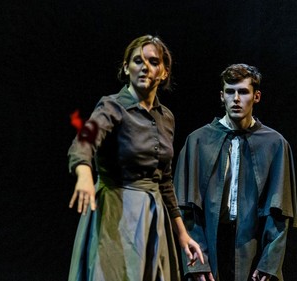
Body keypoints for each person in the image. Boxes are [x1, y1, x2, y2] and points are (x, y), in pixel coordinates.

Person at [67, 35, 203, 281]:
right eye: (138, 61)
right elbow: (84, 140)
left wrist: (182, 234)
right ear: (126, 67)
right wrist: (84, 173)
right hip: (115, 211)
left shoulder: (166, 117)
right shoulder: (110, 107)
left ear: (163, 72)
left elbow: (165, 180)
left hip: (153, 217)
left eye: (153, 61)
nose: (145, 67)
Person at [174, 64, 297, 281]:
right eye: (230, 92)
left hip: (252, 245)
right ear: (221, 96)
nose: (236, 99)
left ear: (256, 96)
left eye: (243, 92)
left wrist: (269, 264)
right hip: (209, 243)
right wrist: (196, 264)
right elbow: (186, 210)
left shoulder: (275, 144)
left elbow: (280, 215)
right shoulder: (198, 141)